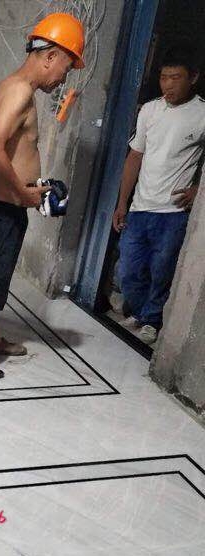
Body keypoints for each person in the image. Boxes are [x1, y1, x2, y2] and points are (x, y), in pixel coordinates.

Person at [0, 13, 85, 379]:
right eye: (65, 68)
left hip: (5, 208)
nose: (62, 78)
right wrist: (18, 190)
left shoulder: (12, 87)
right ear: (50, 56)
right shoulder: (19, 91)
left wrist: (12, 183)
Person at [113, 45, 205, 345]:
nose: (168, 85)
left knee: (161, 270)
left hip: (173, 212)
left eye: (175, 78)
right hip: (140, 207)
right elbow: (134, 157)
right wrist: (122, 202)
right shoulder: (150, 110)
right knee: (128, 269)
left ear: (193, 78)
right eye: (164, 78)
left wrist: (198, 190)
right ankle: (141, 312)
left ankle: (151, 319)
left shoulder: (201, 113)